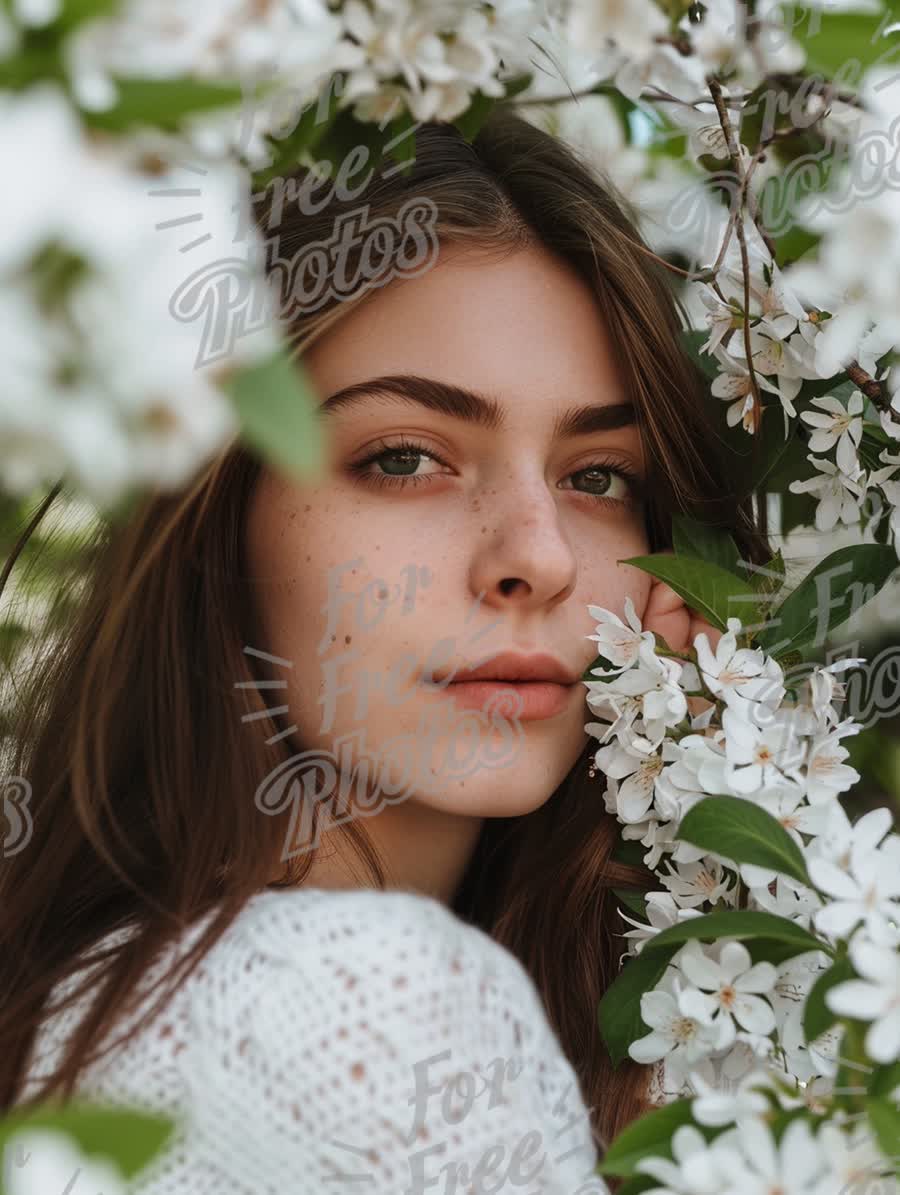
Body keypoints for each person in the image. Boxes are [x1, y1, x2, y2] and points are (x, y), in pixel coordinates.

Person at [0, 105, 771, 1192]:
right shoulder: (380, 1003)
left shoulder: (102, 996)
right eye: (406, 458)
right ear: (216, 515)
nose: (538, 559)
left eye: (598, 476)